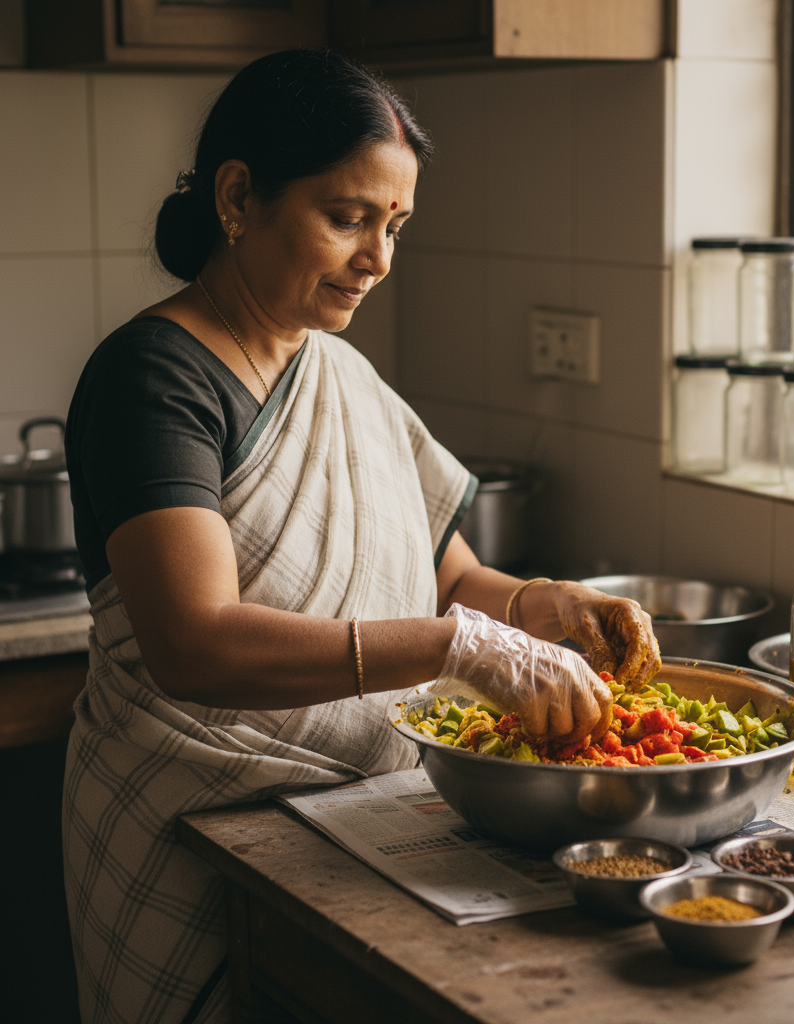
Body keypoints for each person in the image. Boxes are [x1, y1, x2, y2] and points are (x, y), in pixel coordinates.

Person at [62, 49, 661, 1024]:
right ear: (239, 196)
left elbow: (450, 575)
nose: (378, 259)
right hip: (186, 828)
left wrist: (549, 606)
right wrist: (457, 647)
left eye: (395, 226)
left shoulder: (340, 375)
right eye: (347, 218)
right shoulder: (153, 380)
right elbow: (194, 642)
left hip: (353, 826)